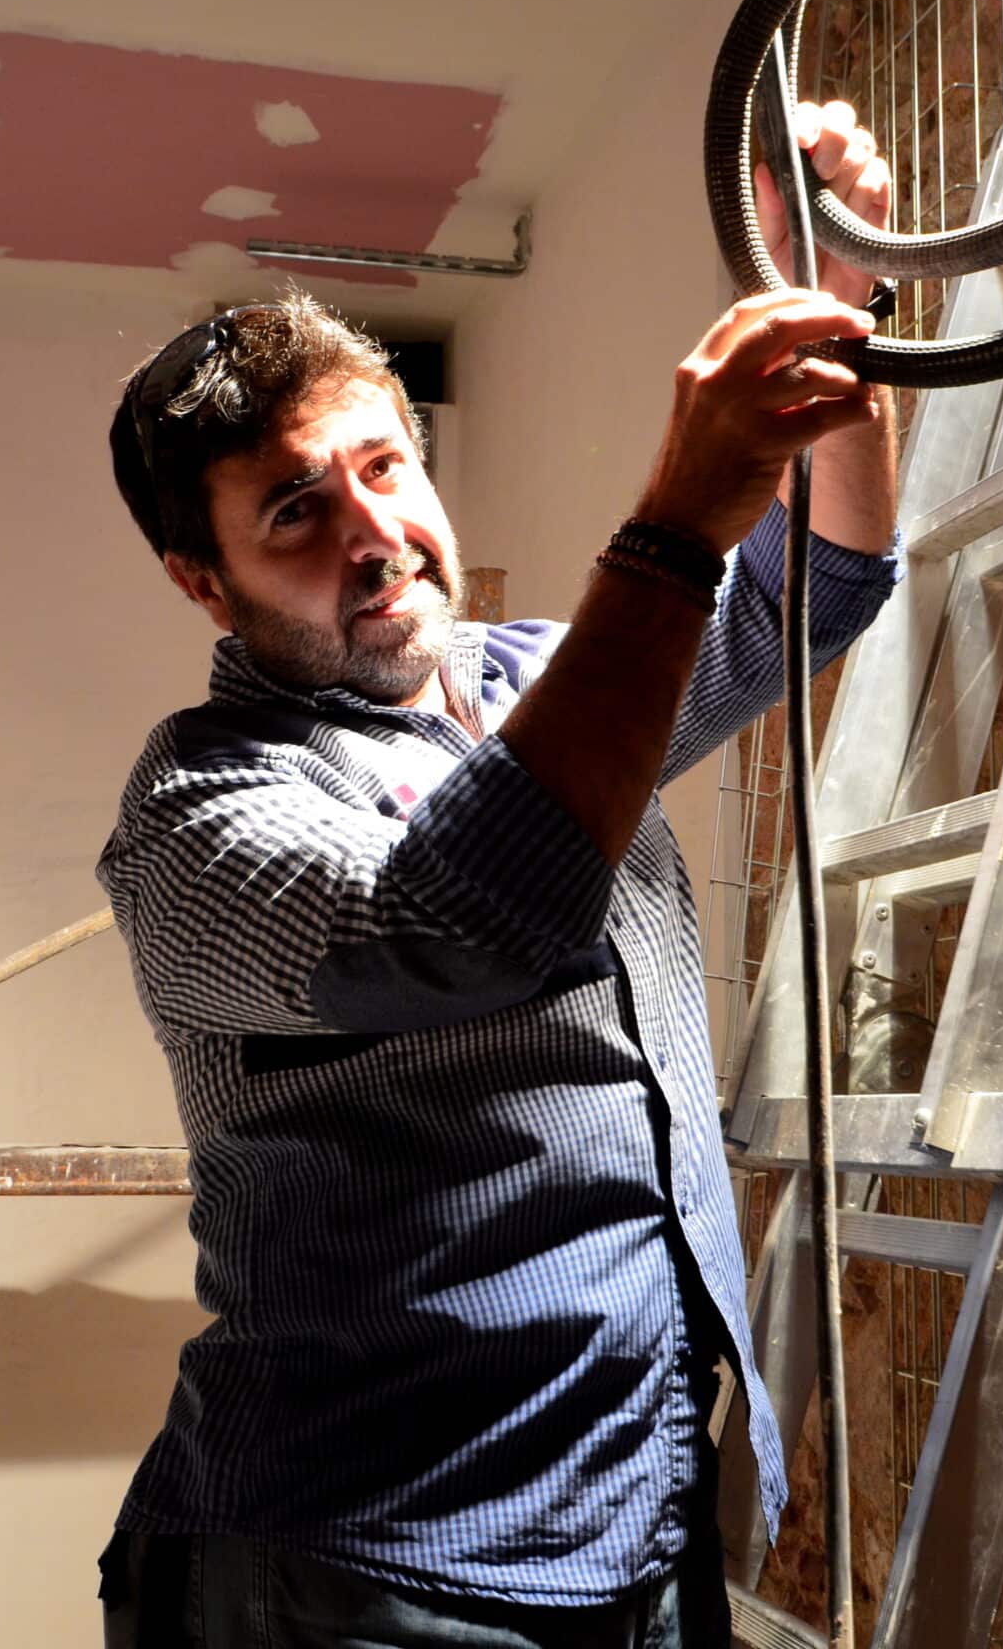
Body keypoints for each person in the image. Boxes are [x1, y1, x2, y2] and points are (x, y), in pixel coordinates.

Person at [96, 101, 896, 1648]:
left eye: (385, 467)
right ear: (204, 580)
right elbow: (464, 923)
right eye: (296, 512)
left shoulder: (539, 686)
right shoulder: (201, 812)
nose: (375, 534)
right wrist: (675, 522)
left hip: (639, 1514)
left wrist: (835, 310)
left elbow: (824, 583)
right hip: (365, 1576)